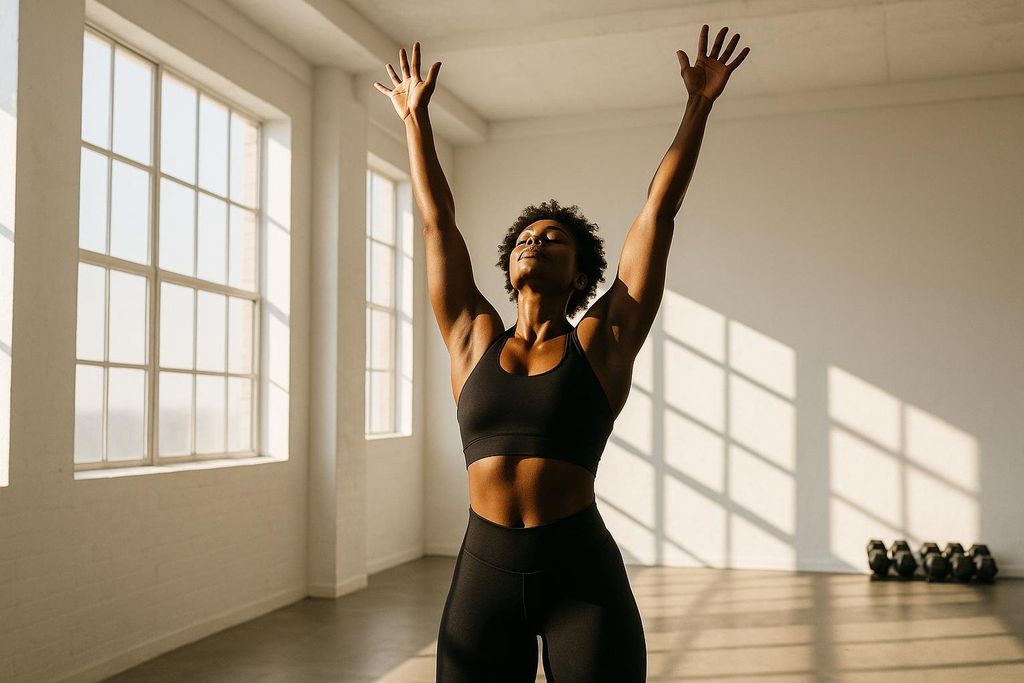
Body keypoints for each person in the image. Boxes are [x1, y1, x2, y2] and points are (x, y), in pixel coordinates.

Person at [373, 25, 749, 682]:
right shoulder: (473, 336)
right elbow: (437, 223)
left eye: (551, 239)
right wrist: (415, 120)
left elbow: (657, 215)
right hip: (482, 573)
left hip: (581, 577)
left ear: (581, 275)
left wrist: (698, 106)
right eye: (523, 237)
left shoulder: (601, 341)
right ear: (508, 263)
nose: (532, 242)